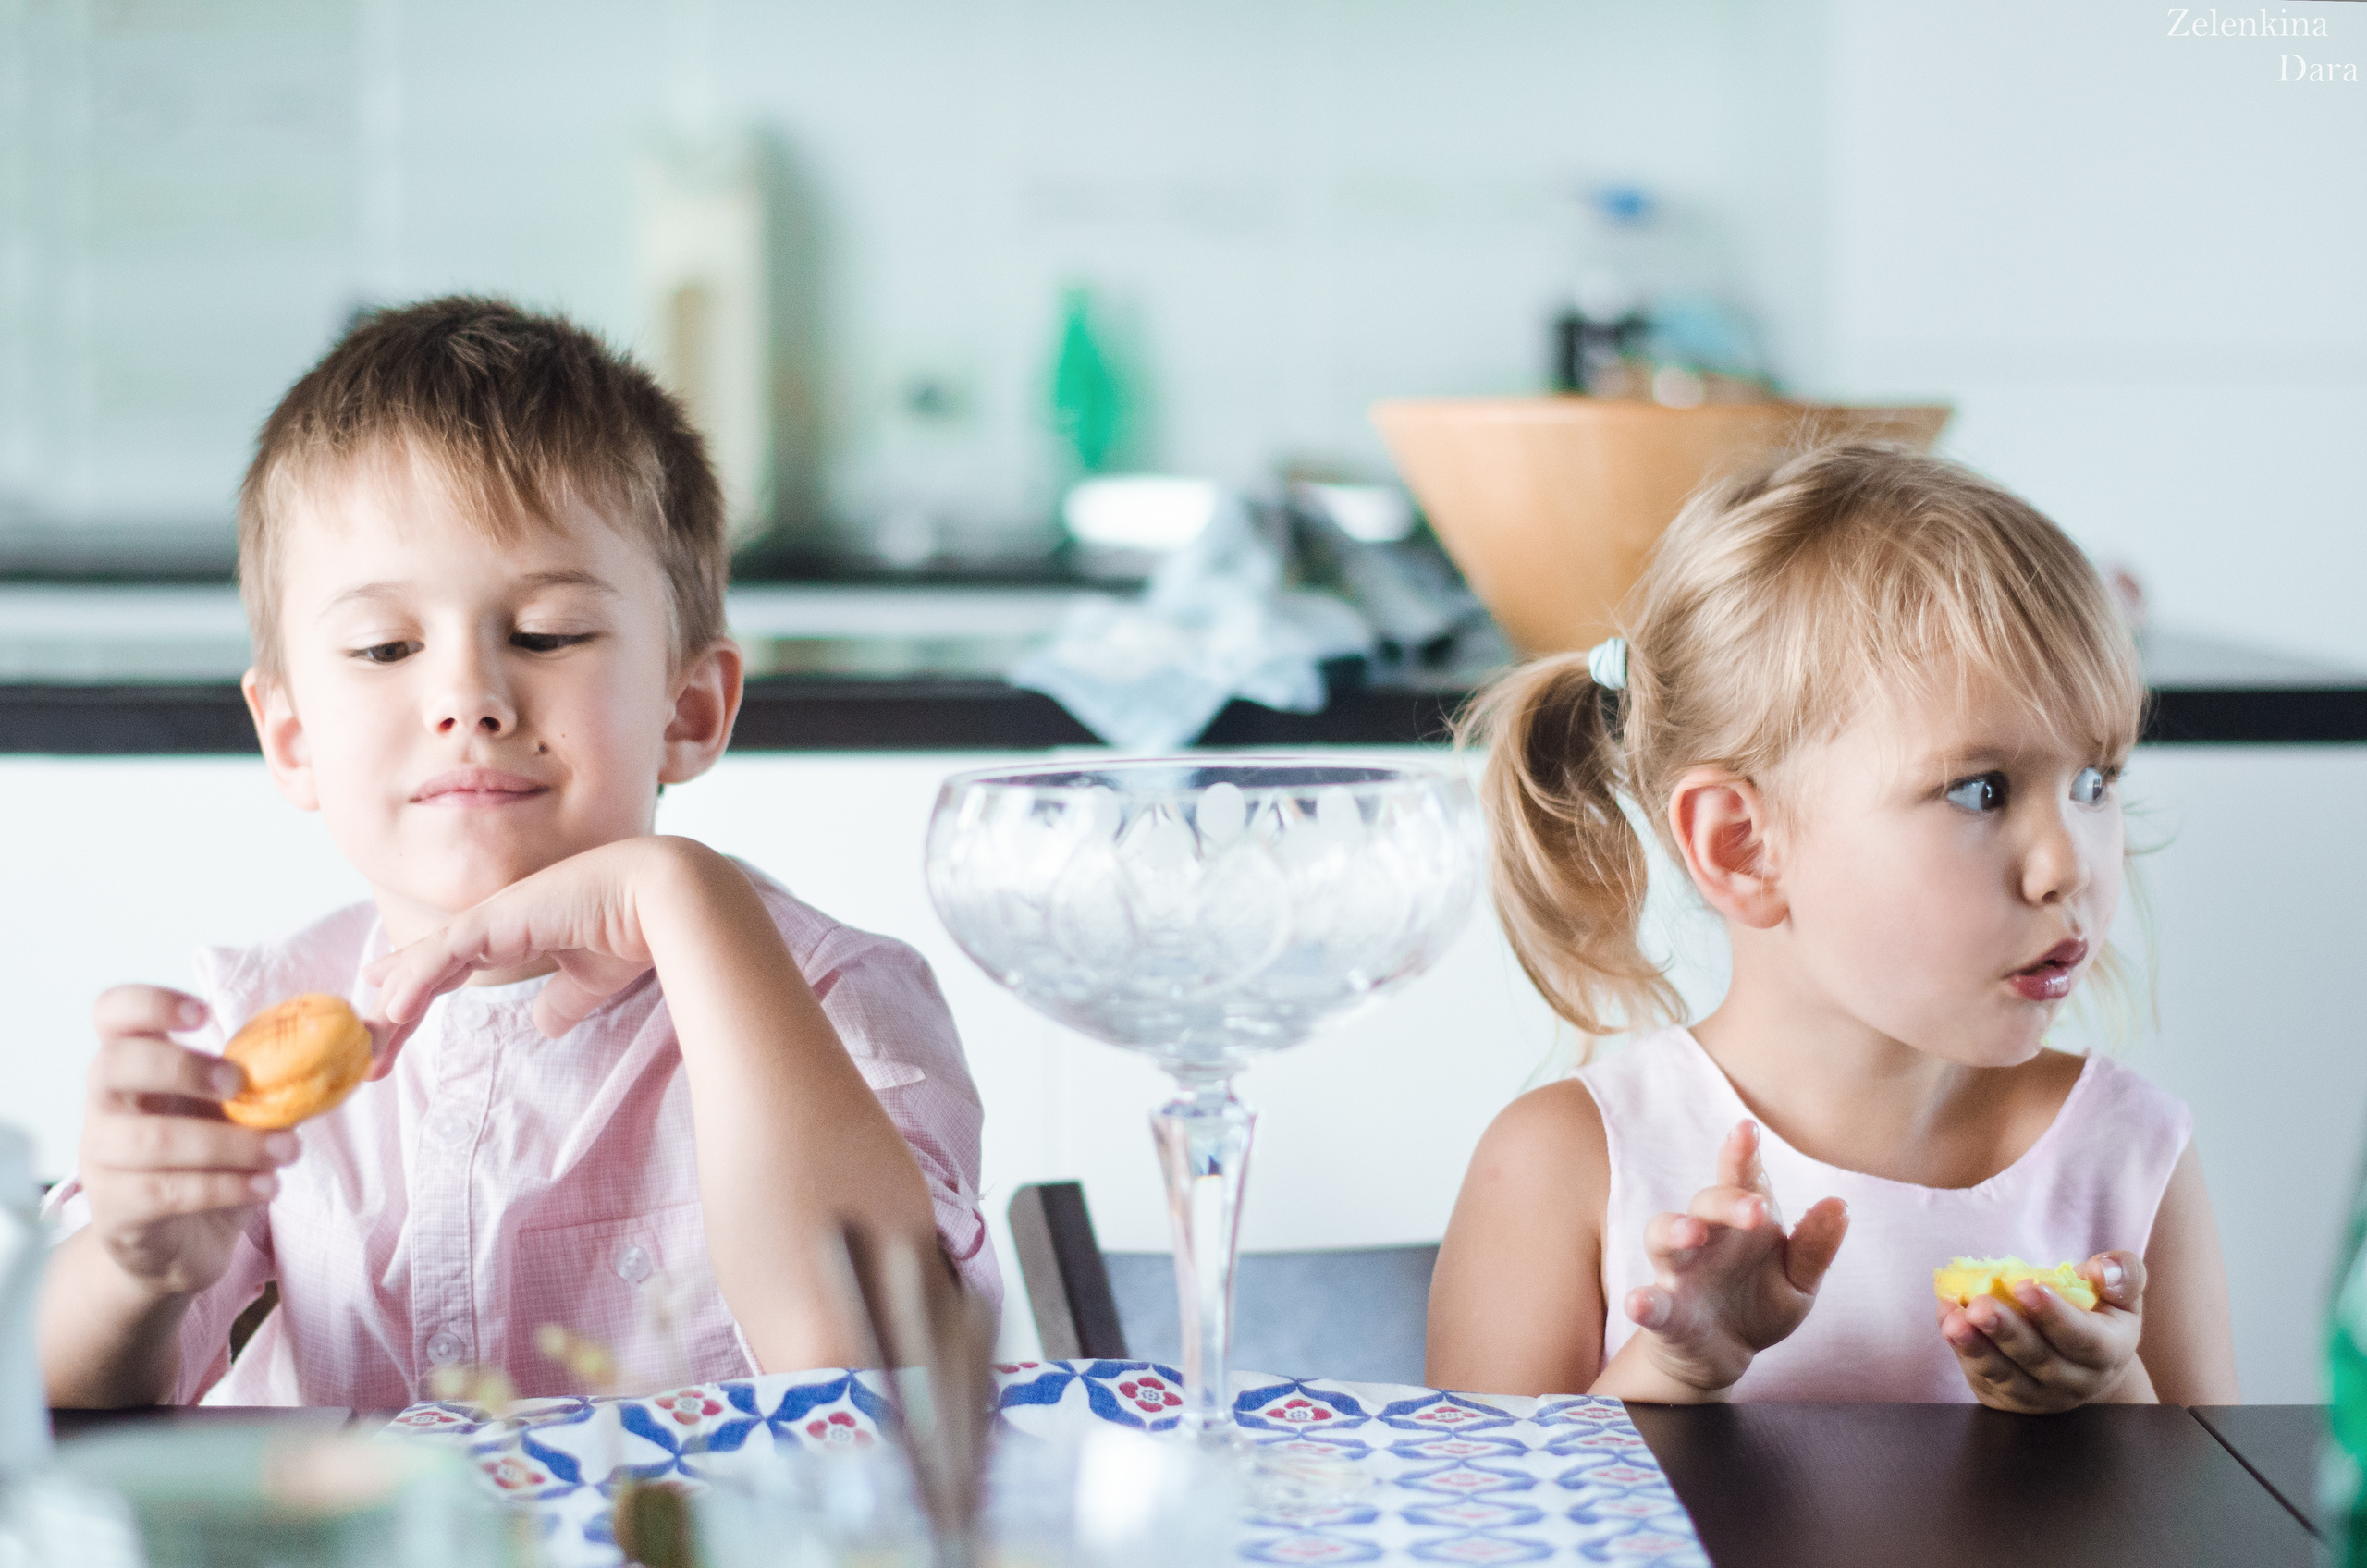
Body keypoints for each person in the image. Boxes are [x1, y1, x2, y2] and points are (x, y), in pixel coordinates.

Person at [39, 298, 997, 1409]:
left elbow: (886, 1392)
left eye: (546, 634)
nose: (469, 697)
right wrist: (134, 1268)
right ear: (292, 739)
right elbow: (48, 1398)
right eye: (384, 646)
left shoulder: (837, 1002)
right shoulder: (246, 1027)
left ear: (688, 708)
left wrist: (682, 893)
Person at [1425, 444, 2238, 1409]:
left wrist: (2110, 1397)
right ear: (1742, 846)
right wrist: (1671, 1370)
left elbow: (2217, 1493)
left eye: (2094, 781)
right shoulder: (1564, 1165)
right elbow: (1490, 1501)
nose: (2069, 864)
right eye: (1982, 790)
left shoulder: (2127, 1154)